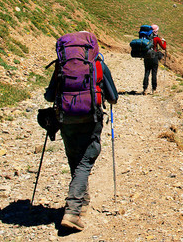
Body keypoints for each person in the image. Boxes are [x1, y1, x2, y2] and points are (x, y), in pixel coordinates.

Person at [44, 33, 118, 232]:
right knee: (86, 160)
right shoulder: (98, 65)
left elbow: (50, 96)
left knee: (74, 158)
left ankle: (82, 202)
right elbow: (113, 98)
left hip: (65, 119)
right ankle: (73, 211)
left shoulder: (61, 66)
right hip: (90, 118)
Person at [142, 24, 167, 95]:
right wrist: (164, 41)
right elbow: (164, 48)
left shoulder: (146, 38)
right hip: (154, 56)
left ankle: (145, 89)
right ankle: (154, 89)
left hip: (146, 56)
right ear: (155, 31)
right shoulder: (157, 39)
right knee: (154, 73)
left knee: (146, 72)